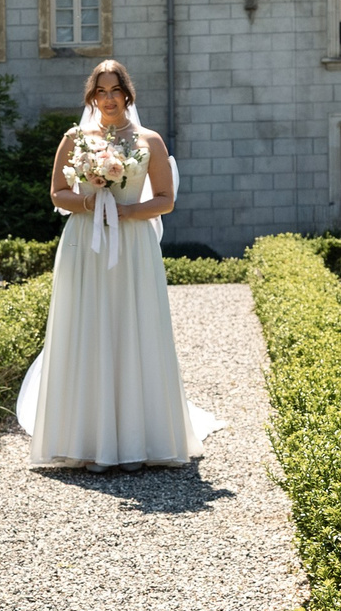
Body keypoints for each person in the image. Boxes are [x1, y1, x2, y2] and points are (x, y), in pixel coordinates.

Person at [18, 60, 221, 468]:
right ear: (91, 97)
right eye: (99, 91)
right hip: (84, 242)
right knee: (86, 326)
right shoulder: (74, 138)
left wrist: (128, 212)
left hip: (132, 243)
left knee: (133, 325)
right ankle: (85, 438)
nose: (107, 99)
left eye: (114, 90)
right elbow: (58, 193)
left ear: (127, 94)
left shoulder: (149, 141)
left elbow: (166, 199)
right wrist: (90, 202)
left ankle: (138, 437)